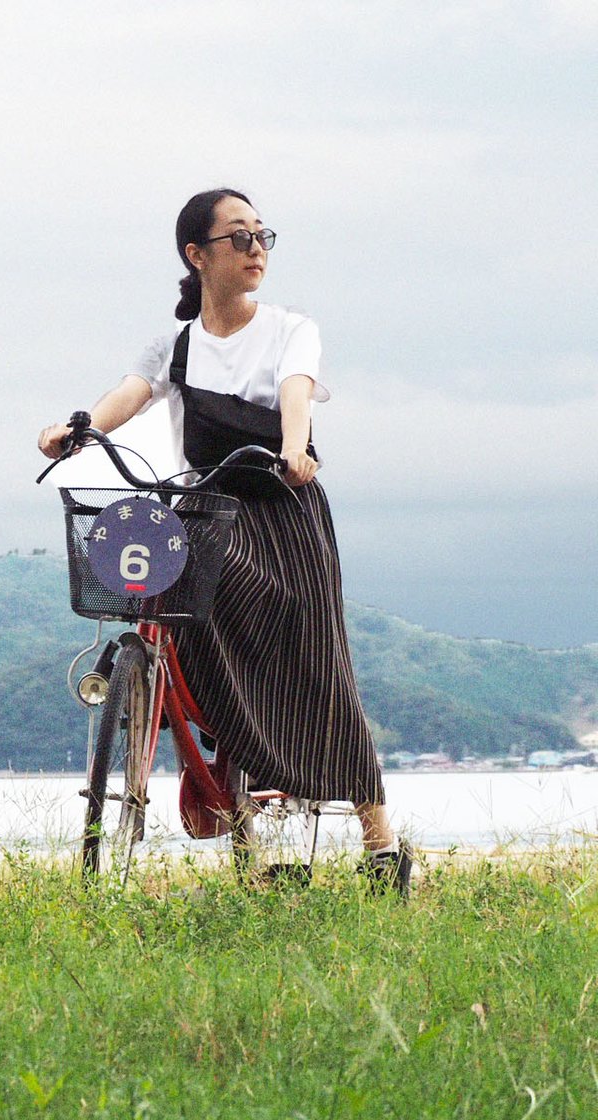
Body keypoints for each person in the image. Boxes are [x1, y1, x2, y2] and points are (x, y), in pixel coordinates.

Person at [37, 187, 412, 894]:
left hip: (282, 510)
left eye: (262, 234)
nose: (255, 247)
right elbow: (128, 393)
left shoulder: (290, 329)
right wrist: (77, 427)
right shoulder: (174, 345)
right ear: (196, 254)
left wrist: (294, 447)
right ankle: (236, 803)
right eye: (238, 236)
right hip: (210, 509)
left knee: (319, 667)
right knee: (185, 607)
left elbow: (296, 391)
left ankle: (380, 840)